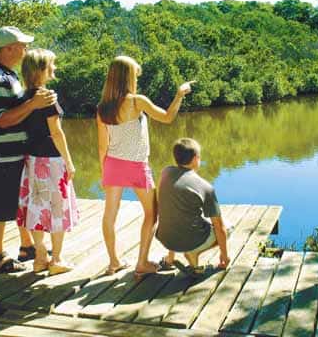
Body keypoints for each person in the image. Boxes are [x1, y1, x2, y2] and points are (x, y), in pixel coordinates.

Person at [96, 55, 194, 280]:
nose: (136, 80)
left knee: (109, 215)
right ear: (128, 77)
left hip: (112, 164)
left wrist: (105, 173)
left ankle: (113, 262)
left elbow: (102, 146)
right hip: (137, 166)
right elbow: (168, 118)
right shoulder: (137, 101)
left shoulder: (103, 108)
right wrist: (179, 94)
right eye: (135, 75)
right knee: (152, 212)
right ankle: (142, 263)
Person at [0, 26, 56, 273]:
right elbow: (3, 119)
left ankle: (27, 247)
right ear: (9, 48)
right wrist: (33, 104)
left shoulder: (8, 75)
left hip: (13, 153)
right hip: (0, 156)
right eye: (23, 45)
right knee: (0, 204)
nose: (26, 49)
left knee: (21, 201)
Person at [16, 48, 79, 275]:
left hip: (32, 161)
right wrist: (69, 162)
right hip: (52, 162)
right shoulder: (47, 98)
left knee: (36, 207)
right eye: (52, 64)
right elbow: (57, 133)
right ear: (41, 69)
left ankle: (40, 256)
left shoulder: (22, 98)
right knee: (57, 209)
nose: (55, 68)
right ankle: (57, 260)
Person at [156, 138, 230, 277]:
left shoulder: (165, 172)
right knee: (227, 228)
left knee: (177, 211)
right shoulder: (205, 187)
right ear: (196, 159)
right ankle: (193, 252)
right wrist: (224, 256)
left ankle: (173, 258)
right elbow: (220, 228)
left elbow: (163, 203)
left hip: (166, 238)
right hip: (187, 240)